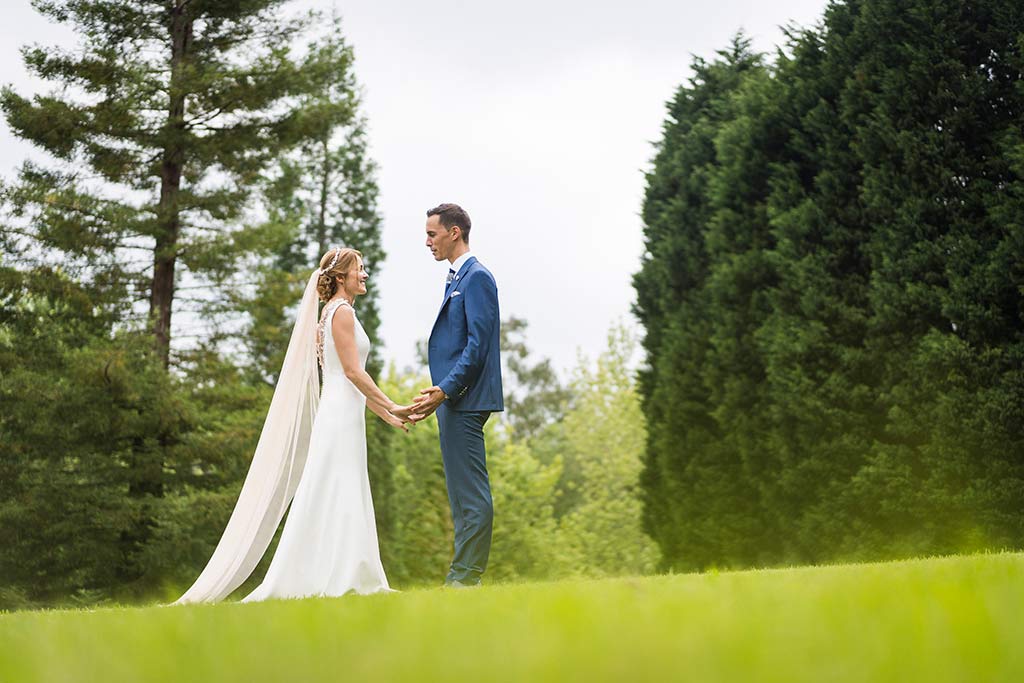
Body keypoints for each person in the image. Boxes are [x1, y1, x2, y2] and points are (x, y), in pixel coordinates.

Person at [175, 247, 410, 604]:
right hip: (340, 415)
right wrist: (391, 403)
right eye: (359, 269)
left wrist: (385, 414)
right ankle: (344, 574)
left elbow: (346, 377)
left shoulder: (331, 312)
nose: (364, 275)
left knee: (337, 487)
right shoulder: (341, 313)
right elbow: (351, 372)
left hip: (342, 412)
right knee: (340, 486)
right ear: (342, 276)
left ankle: (342, 570)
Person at [410, 203, 504, 588]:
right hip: (453, 400)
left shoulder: (477, 277)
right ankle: (463, 574)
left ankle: (465, 577)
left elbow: (477, 346)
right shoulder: (456, 278)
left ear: (454, 232)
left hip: (464, 399)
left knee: (471, 495)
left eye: (432, 233)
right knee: (460, 494)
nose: (427, 241)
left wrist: (446, 391)